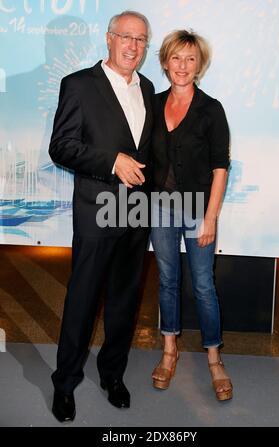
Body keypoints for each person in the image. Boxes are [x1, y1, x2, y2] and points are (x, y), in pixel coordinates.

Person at [49, 10, 154, 422]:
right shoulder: (77, 84)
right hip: (96, 210)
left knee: (125, 302)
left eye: (142, 39)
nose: (133, 45)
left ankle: (112, 375)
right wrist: (111, 161)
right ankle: (65, 383)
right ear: (109, 39)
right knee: (82, 300)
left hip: (137, 212)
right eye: (126, 37)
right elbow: (62, 146)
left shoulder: (147, 88)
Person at [150, 30, 232, 401]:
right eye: (176, 58)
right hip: (158, 211)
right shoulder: (150, 104)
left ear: (200, 65)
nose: (182, 66)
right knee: (167, 281)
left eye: (190, 59)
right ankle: (170, 351)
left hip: (199, 212)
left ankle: (214, 357)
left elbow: (220, 167)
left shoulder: (211, 109)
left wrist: (211, 217)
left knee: (202, 285)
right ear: (165, 61)